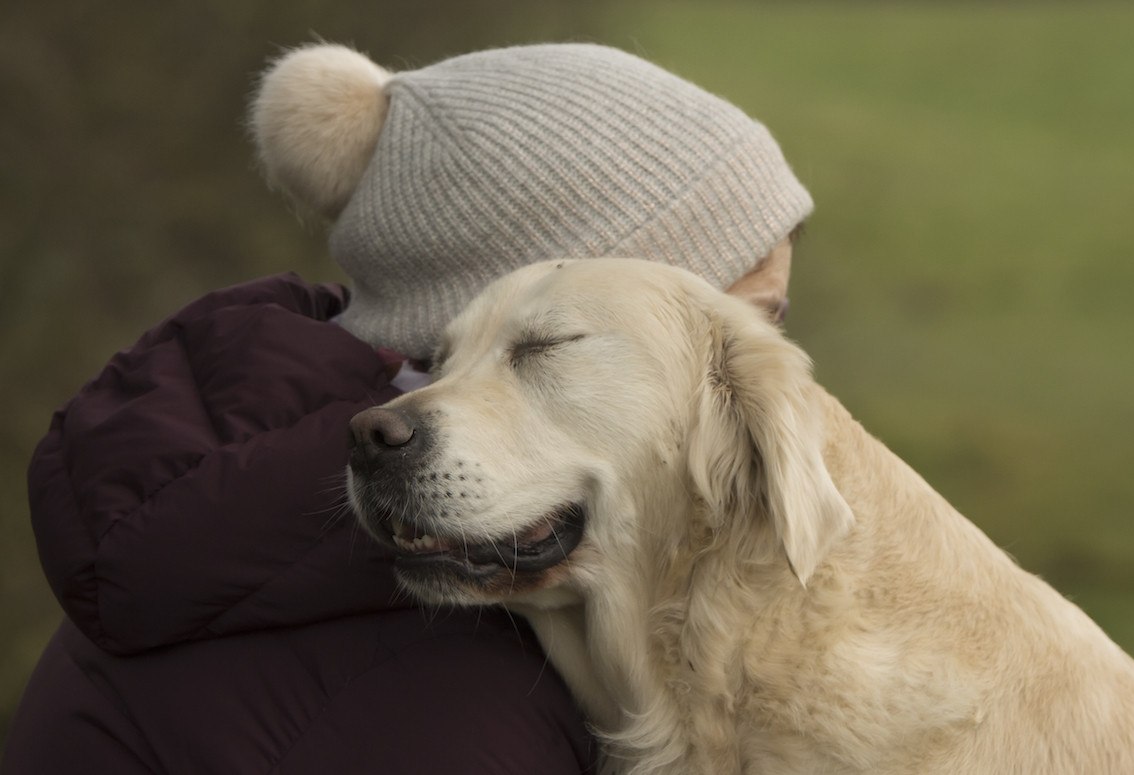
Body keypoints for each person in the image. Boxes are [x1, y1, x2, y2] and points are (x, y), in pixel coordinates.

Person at [2, 42, 811, 774]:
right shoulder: (444, 683)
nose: (783, 375)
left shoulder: (254, 497)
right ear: (542, 315)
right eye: (755, 320)